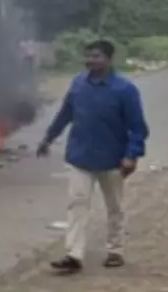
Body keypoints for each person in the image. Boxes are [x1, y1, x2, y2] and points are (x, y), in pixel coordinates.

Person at [38, 39, 149, 274]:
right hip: (80, 157)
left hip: (113, 159)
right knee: (77, 205)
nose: (90, 61)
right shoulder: (78, 83)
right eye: (88, 56)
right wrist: (48, 138)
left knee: (115, 207)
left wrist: (132, 155)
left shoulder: (125, 90)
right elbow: (65, 114)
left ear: (109, 59)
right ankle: (73, 255)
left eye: (96, 56)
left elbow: (137, 127)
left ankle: (115, 250)